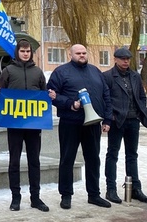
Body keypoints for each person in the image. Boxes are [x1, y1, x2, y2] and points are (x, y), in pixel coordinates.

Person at [48, 44, 113, 210]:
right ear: (71, 54)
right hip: (70, 122)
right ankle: (66, 195)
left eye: (84, 53)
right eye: (78, 53)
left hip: (93, 122)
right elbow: (51, 95)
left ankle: (94, 194)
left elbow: (106, 95)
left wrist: (107, 119)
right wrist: (70, 104)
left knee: (93, 159)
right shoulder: (61, 72)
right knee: (67, 158)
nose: (82, 55)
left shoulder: (95, 71)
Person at [0, 39, 50, 212]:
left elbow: (44, 94)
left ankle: (35, 197)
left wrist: (50, 95)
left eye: (28, 51)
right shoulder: (8, 71)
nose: (26, 54)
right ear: (17, 52)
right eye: (23, 51)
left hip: (34, 124)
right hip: (14, 124)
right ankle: (16, 198)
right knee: (14, 161)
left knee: (34, 161)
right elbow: (1, 94)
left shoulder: (38, 72)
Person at [102, 46, 147, 204]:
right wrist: (110, 118)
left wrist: (140, 112)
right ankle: (111, 189)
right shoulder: (108, 76)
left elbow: (141, 97)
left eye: (128, 59)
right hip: (117, 121)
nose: (125, 61)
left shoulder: (135, 76)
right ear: (115, 59)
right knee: (112, 155)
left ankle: (135, 188)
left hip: (133, 121)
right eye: (122, 59)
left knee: (132, 155)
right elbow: (105, 99)